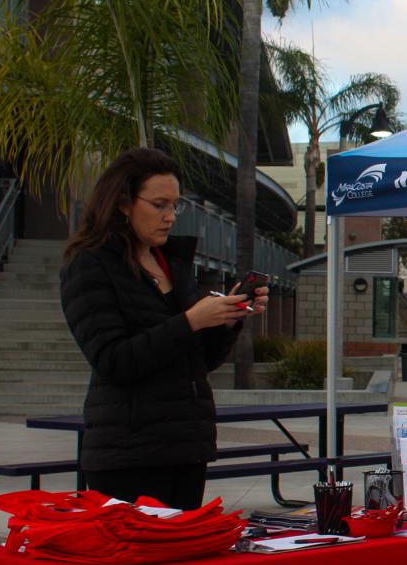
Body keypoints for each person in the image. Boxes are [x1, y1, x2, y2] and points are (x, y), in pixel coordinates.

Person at [60, 148, 268, 510]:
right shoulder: (90, 266)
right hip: (129, 453)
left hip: (186, 444)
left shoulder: (171, 262)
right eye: (159, 205)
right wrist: (190, 321)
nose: (170, 217)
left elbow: (197, 362)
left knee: (183, 560)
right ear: (123, 203)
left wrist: (226, 321)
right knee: (142, 560)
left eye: (175, 205)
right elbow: (114, 360)